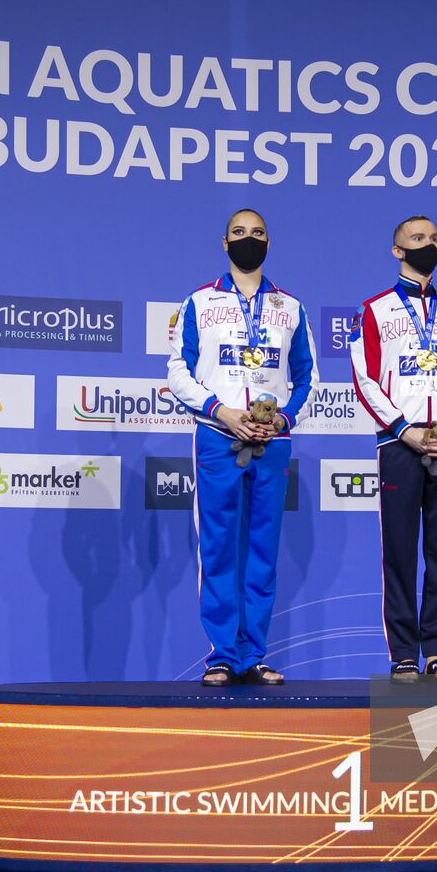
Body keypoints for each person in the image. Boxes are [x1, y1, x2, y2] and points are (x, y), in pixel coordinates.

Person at [167, 208, 318, 687]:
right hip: (218, 437)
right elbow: (177, 372)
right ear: (224, 242)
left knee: (261, 551)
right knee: (217, 547)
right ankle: (221, 654)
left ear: (269, 243)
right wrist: (221, 411)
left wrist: (283, 419)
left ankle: (254, 654)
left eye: (257, 233)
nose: (248, 239)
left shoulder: (289, 307)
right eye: (239, 232)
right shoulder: (199, 302)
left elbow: (308, 377)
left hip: (271, 442)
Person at [349, 215, 437, 682]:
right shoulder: (375, 310)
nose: (428, 245)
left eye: (433, 239)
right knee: (401, 552)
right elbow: (364, 379)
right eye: (417, 239)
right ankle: (404, 651)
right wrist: (406, 430)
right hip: (400, 443)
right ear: (397, 251)